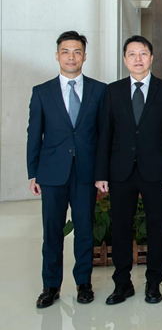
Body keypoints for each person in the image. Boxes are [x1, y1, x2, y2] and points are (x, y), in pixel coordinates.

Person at [95, 35, 162, 305]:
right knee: (120, 228)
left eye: (143, 53)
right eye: (132, 54)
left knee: (156, 227)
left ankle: (154, 283)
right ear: (125, 59)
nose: (137, 59)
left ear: (151, 57)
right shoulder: (112, 91)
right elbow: (104, 135)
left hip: (156, 172)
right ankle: (122, 284)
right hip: (120, 171)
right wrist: (101, 173)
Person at [27, 31, 106, 308]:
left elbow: (104, 134)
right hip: (51, 173)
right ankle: (50, 286)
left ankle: (84, 283)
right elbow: (33, 133)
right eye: (65, 51)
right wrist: (32, 172)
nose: (71, 57)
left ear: (85, 55)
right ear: (57, 55)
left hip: (86, 171)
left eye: (76, 51)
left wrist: (102, 173)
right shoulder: (42, 91)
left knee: (84, 229)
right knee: (52, 231)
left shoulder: (99, 90)